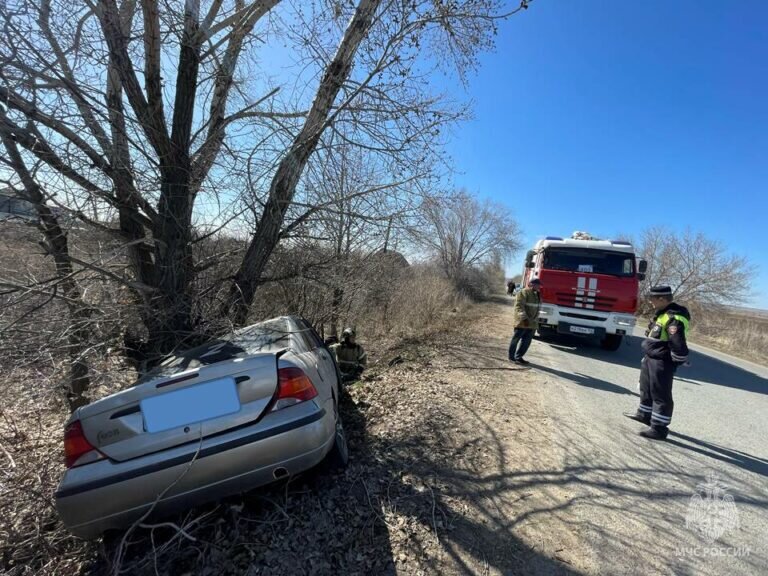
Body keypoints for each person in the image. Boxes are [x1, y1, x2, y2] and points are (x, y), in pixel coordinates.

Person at [624, 285, 690, 440]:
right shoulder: (662, 314)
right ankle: (644, 414)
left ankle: (659, 428)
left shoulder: (674, 318)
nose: (650, 302)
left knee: (660, 393)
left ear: (662, 299)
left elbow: (678, 343)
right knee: (646, 388)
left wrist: (678, 360)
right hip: (651, 357)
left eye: (652, 299)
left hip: (662, 360)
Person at [508, 278, 542, 365]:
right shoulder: (523, 292)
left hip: (532, 323)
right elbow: (519, 307)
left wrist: (536, 319)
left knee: (526, 342)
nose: (539, 287)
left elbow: (537, 308)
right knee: (516, 339)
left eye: (539, 285)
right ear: (531, 284)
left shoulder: (537, 294)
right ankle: (511, 357)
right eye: (537, 285)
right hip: (523, 322)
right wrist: (525, 319)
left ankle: (518, 357)